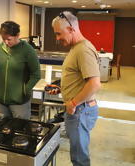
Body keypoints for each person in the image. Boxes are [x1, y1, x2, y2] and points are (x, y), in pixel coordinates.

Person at [51, 11, 101, 166]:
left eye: (59, 34)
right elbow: (80, 79)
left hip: (80, 110)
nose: (57, 38)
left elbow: (94, 84)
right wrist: (61, 89)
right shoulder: (76, 47)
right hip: (78, 109)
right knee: (77, 153)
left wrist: (73, 103)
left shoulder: (83, 49)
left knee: (79, 158)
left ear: (71, 29)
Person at [0, 21, 41, 120]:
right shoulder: (0, 48)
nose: (6, 42)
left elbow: (36, 74)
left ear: (18, 35)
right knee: (0, 130)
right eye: (3, 39)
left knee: (20, 131)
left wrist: (24, 90)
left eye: (9, 39)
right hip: (1, 101)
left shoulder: (28, 50)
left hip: (20, 103)